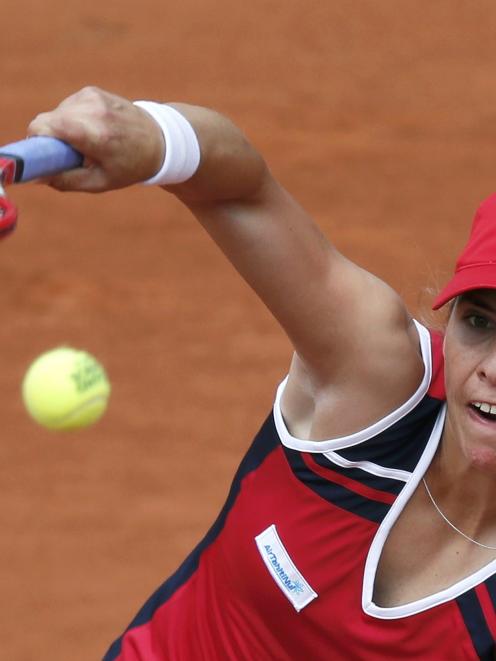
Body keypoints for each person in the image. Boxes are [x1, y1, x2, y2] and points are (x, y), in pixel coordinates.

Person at [28, 86, 496, 660]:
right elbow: (240, 193)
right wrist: (150, 138)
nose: (491, 368)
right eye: (479, 321)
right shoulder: (377, 383)